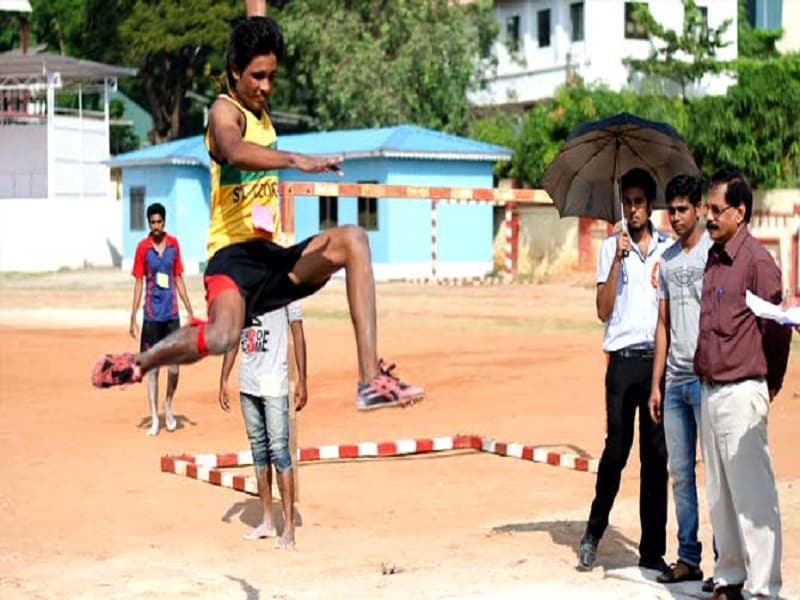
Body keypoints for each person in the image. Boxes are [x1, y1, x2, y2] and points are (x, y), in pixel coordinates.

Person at [92, 12, 423, 411]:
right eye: (257, 77)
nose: (266, 87)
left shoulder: (259, 110)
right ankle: (140, 362)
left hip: (270, 256)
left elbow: (256, 16)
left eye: (271, 76)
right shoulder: (223, 112)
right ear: (235, 71)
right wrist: (293, 159)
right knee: (220, 337)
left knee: (354, 239)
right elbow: (233, 149)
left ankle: (370, 379)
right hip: (230, 258)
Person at [694, 169, 791, 600]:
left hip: (742, 391)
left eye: (716, 210)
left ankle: (763, 588)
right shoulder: (714, 257)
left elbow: (778, 328)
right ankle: (730, 576)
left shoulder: (757, 262)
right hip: (710, 390)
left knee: (753, 496)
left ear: (740, 211)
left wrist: (769, 382)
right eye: (707, 209)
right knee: (719, 494)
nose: (708, 217)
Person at [577, 168, 671, 574]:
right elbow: (602, 310)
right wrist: (616, 260)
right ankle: (593, 533)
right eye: (626, 201)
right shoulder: (611, 247)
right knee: (616, 452)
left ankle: (652, 551)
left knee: (656, 458)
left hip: (656, 364)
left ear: (651, 205)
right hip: (621, 364)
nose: (632, 209)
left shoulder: (667, 249)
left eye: (638, 201)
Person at [647, 175, 713, 585]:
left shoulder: (714, 255)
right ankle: (687, 556)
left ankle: (727, 564)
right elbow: (663, 326)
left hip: (709, 381)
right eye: (670, 209)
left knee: (719, 477)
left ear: (700, 209)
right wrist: (656, 383)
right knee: (682, 475)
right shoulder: (668, 261)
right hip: (674, 383)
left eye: (683, 209)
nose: (675, 216)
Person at [219, 301, 305, 549]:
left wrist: (302, 379)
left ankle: (288, 527)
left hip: (273, 380)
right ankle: (267, 520)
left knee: (279, 450)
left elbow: (298, 332)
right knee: (258, 449)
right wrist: (224, 377)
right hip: (248, 383)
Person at [129, 203, 194, 436]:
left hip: (171, 315)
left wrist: (189, 308)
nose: (156, 226)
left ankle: (168, 404)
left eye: (159, 222)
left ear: (164, 222)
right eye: (152, 222)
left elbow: (177, 277)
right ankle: (155, 418)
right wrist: (133, 315)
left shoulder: (174, 245)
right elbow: (138, 282)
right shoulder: (142, 248)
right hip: (151, 317)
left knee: (174, 368)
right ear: (149, 224)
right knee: (153, 369)